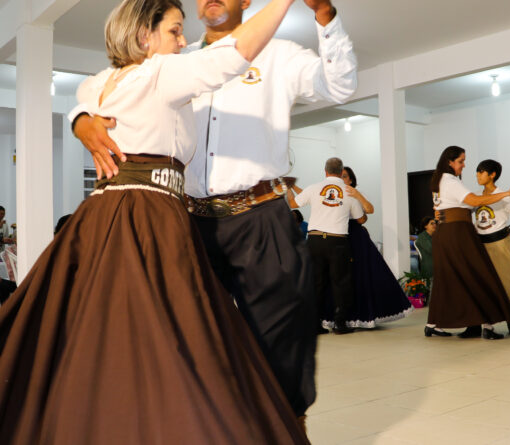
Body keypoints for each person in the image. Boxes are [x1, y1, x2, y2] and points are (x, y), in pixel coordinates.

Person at [0, 1, 309, 444]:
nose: (182, 42)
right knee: (170, 328)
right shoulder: (160, 72)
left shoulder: (102, 81)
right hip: (149, 215)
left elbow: (78, 105)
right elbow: (236, 53)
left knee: (99, 326)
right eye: (175, 31)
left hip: (101, 214)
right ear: (144, 37)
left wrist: (80, 120)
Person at [72, 0, 356, 421]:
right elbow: (104, 90)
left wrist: (325, 16)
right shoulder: (174, 61)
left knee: (281, 335)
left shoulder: (279, 54)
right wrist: (81, 118)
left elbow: (339, 86)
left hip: (259, 216)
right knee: (187, 334)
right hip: (186, 221)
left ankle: (289, 426)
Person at [426, 146, 510, 340]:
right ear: (449, 162)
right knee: (478, 276)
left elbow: (452, 205)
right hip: (458, 233)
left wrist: (441, 214)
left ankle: (435, 323)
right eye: (461, 161)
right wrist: (507, 194)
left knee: (452, 279)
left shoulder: (439, 180)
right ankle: (488, 325)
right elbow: (475, 202)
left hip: (451, 233)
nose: (464, 165)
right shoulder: (450, 180)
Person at [317, 166, 413, 329]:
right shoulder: (331, 193)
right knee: (338, 277)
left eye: (345, 176)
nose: (342, 179)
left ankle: (363, 315)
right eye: (340, 176)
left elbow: (369, 210)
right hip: (337, 236)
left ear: (351, 180)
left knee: (362, 274)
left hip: (356, 237)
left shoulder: (354, 194)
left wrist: (357, 194)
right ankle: (338, 317)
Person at [287, 158, 365, 335]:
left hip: (314, 240)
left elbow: (292, 204)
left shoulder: (314, 188)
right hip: (337, 241)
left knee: (316, 283)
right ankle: (340, 323)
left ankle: (314, 324)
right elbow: (360, 219)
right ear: (340, 171)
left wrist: (288, 189)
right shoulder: (348, 192)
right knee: (340, 283)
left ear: (325, 171)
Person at [474, 160, 510, 317]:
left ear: (492, 174)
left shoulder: (503, 195)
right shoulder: (476, 198)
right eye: (477, 172)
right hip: (481, 244)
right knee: (484, 285)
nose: (478, 175)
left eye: (481, 172)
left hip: (500, 243)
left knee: (507, 282)